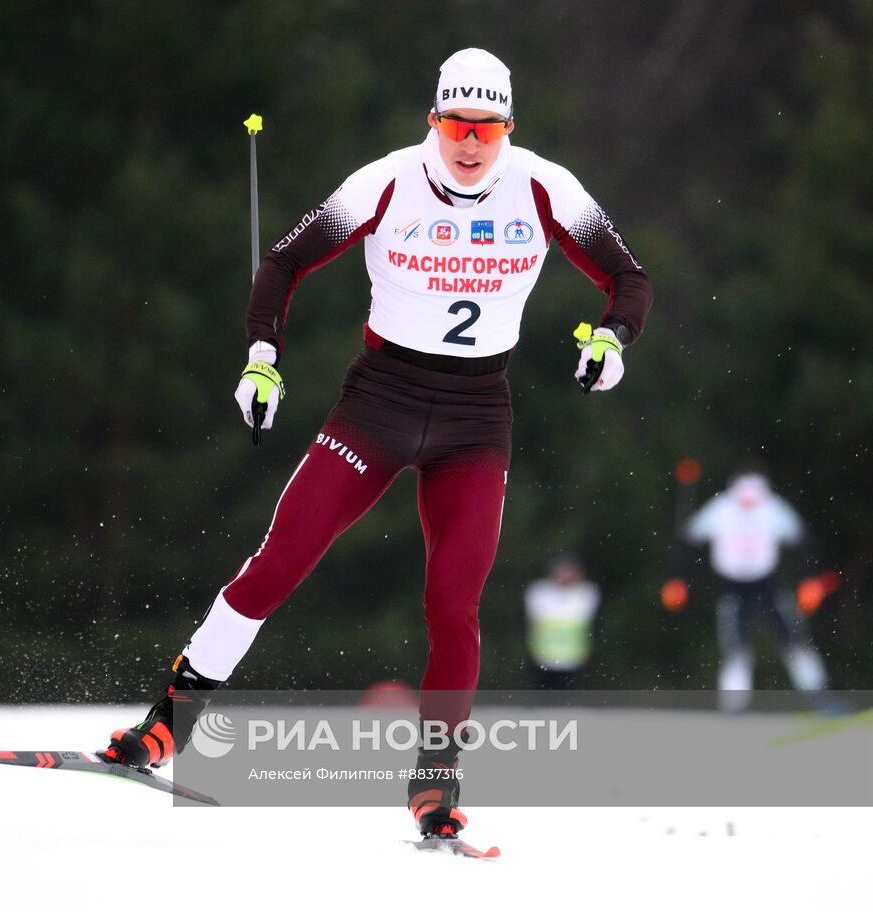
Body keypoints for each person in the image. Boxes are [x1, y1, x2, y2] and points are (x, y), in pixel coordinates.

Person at [101, 48, 652, 840]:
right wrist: (262, 360)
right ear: (433, 120)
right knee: (278, 563)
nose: (470, 145)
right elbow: (285, 261)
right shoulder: (389, 178)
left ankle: (435, 782)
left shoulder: (542, 183)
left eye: (487, 130)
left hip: (474, 416)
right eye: (458, 126)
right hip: (381, 402)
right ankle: (166, 723)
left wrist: (613, 340)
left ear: (508, 128)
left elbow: (629, 277)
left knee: (453, 605)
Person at [662, 466, 837, 713]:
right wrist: (677, 579)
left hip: (767, 584)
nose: (748, 505)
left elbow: (803, 540)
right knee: (737, 649)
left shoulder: (772, 508)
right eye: (743, 500)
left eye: (754, 499)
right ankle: (734, 707)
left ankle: (821, 697)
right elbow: (687, 540)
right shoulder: (721, 508)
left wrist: (809, 579)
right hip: (732, 587)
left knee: (795, 640)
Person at [523, 554, 600, 690]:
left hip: (575, 657)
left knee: (569, 699)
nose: (565, 576)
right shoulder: (539, 592)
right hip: (542, 656)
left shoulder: (586, 593)